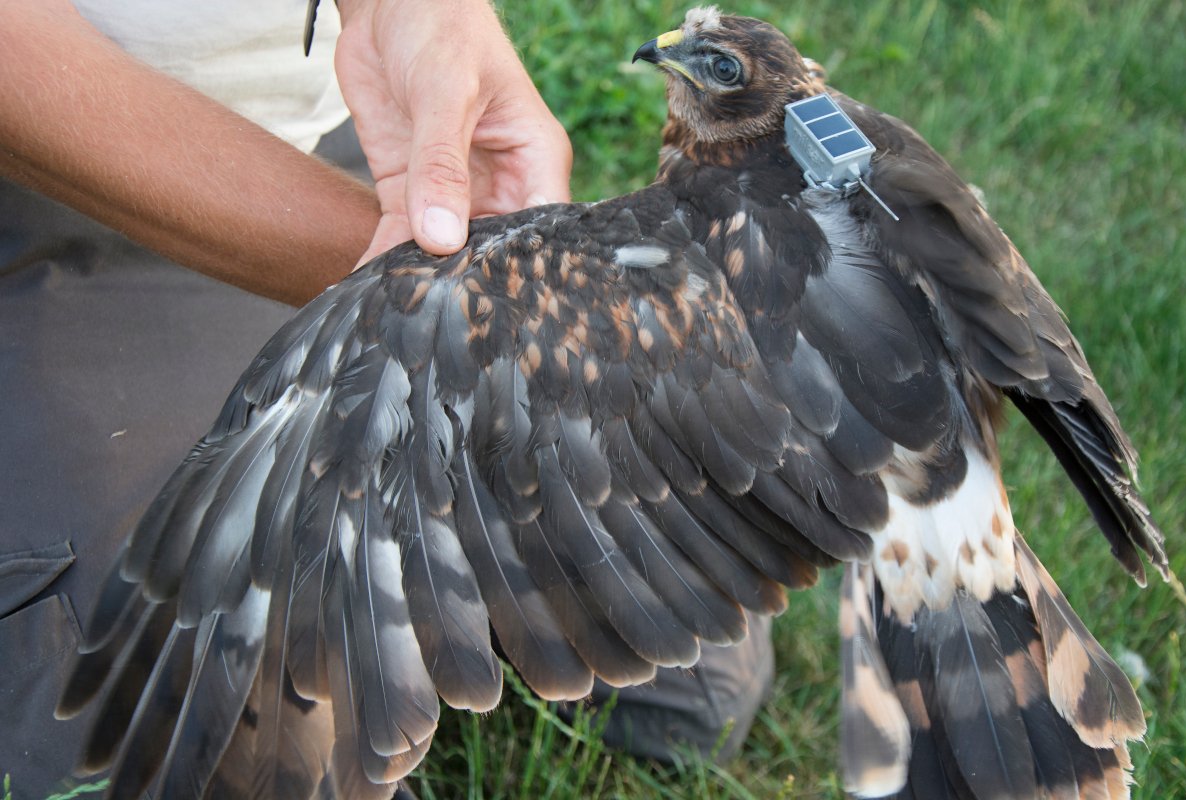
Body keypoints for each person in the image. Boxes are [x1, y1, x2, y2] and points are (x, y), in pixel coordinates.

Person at [0, 2, 770, 796]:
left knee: (693, 680)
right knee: (220, 745)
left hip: (339, 119)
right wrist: (444, 292)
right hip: (45, 173)